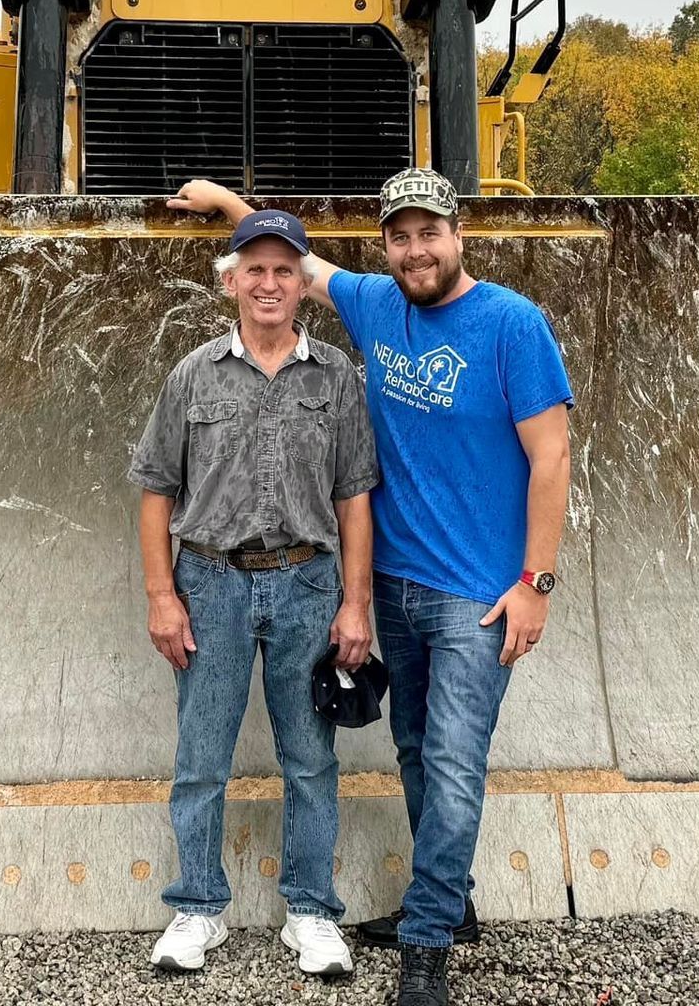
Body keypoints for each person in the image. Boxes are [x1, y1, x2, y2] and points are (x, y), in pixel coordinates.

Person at [168, 171, 572, 1006]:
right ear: (386, 245)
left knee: (456, 763)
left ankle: (426, 942)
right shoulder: (379, 305)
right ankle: (449, 904)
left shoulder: (511, 324)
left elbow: (553, 457)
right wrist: (224, 201)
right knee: (419, 753)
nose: (416, 250)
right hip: (397, 583)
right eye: (401, 236)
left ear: (459, 235)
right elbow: (289, 264)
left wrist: (535, 581)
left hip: (480, 595)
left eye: (430, 233)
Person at [128, 209, 379, 977]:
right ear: (230, 281)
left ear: (304, 284)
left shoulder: (335, 376)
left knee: (310, 759)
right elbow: (154, 489)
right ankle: (197, 910)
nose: (268, 283)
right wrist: (161, 595)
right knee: (202, 756)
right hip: (209, 584)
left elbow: (355, 495)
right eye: (254, 269)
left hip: (308, 583)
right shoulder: (193, 373)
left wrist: (354, 601)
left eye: (284, 270)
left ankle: (310, 912)